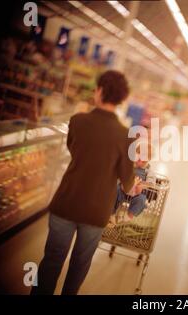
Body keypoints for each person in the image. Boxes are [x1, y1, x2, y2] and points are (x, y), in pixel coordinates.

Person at [31, 70, 135, 295]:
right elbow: (127, 181)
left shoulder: (78, 120)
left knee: (52, 261)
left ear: (99, 91)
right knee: (79, 266)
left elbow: (73, 148)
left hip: (67, 202)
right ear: (121, 99)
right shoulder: (126, 136)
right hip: (96, 213)